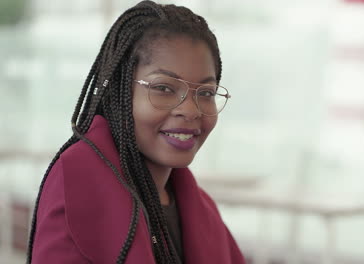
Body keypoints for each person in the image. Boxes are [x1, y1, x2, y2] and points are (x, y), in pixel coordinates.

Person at [27, 1, 245, 263]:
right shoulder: (79, 177)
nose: (190, 110)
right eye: (164, 88)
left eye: (206, 92)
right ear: (120, 90)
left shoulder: (202, 210)